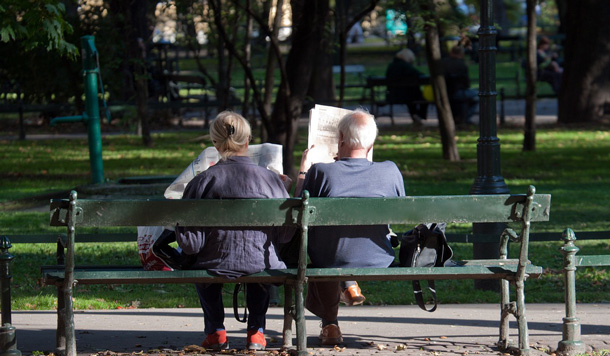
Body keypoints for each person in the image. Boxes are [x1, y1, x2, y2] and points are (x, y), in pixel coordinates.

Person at [175, 111, 294, 351]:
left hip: (213, 262)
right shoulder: (271, 181)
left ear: (214, 144)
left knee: (199, 262)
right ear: (248, 141)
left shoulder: (202, 181)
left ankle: (216, 331)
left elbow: (191, 245)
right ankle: (257, 333)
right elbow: (284, 235)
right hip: (261, 261)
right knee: (260, 258)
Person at [295, 109, 405, 345]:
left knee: (325, 251)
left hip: (330, 257)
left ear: (341, 139)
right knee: (335, 245)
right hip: (377, 257)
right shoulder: (390, 170)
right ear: (371, 142)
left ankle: (330, 324)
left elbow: (298, 212)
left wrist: (304, 169)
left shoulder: (321, 171)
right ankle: (348, 286)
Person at [385, 48, 428, 125]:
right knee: (422, 98)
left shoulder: (391, 66)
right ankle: (418, 115)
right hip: (406, 95)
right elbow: (419, 75)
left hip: (392, 95)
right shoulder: (406, 67)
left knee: (411, 97)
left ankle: (415, 115)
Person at [442, 45, 479, 125]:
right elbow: (466, 83)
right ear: (461, 54)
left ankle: (459, 117)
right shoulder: (461, 65)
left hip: (444, 92)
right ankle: (464, 118)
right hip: (457, 92)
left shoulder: (443, 63)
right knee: (479, 96)